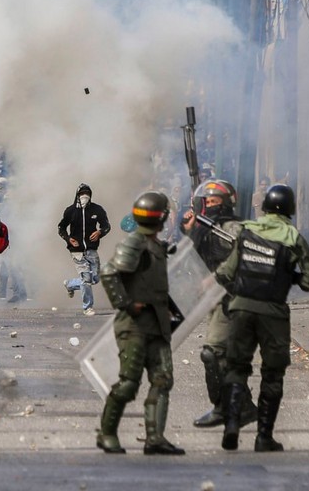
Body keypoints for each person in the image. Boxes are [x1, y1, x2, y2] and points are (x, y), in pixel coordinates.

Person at [215, 184, 309, 453]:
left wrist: (240, 293)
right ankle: (263, 438)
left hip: (241, 310)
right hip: (272, 313)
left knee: (236, 368)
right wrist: (290, 275)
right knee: (273, 375)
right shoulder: (293, 236)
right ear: (290, 208)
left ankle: (232, 427)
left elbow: (225, 273)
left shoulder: (247, 230)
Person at [95, 191, 184, 456]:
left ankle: (155, 438)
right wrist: (126, 303)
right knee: (128, 383)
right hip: (134, 325)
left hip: (157, 323)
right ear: (162, 217)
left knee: (162, 379)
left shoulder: (154, 245)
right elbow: (110, 273)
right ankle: (107, 433)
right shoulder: (135, 243)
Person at [180, 179, 256, 429]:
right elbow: (194, 258)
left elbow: (240, 258)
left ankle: (223, 408)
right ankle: (243, 405)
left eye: (216, 201)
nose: (211, 205)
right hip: (214, 300)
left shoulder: (234, 228)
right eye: (208, 201)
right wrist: (191, 230)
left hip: (233, 297)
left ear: (227, 203)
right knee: (225, 357)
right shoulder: (204, 228)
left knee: (212, 353)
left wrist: (216, 277)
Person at [58, 183, 111, 316]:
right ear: (77, 195)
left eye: (87, 193)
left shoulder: (97, 210)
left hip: (92, 250)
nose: (84, 196)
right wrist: (68, 239)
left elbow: (106, 226)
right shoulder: (70, 211)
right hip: (77, 251)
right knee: (86, 279)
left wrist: (100, 233)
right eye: (82, 194)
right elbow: (61, 228)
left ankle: (70, 284)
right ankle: (87, 307)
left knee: (95, 278)